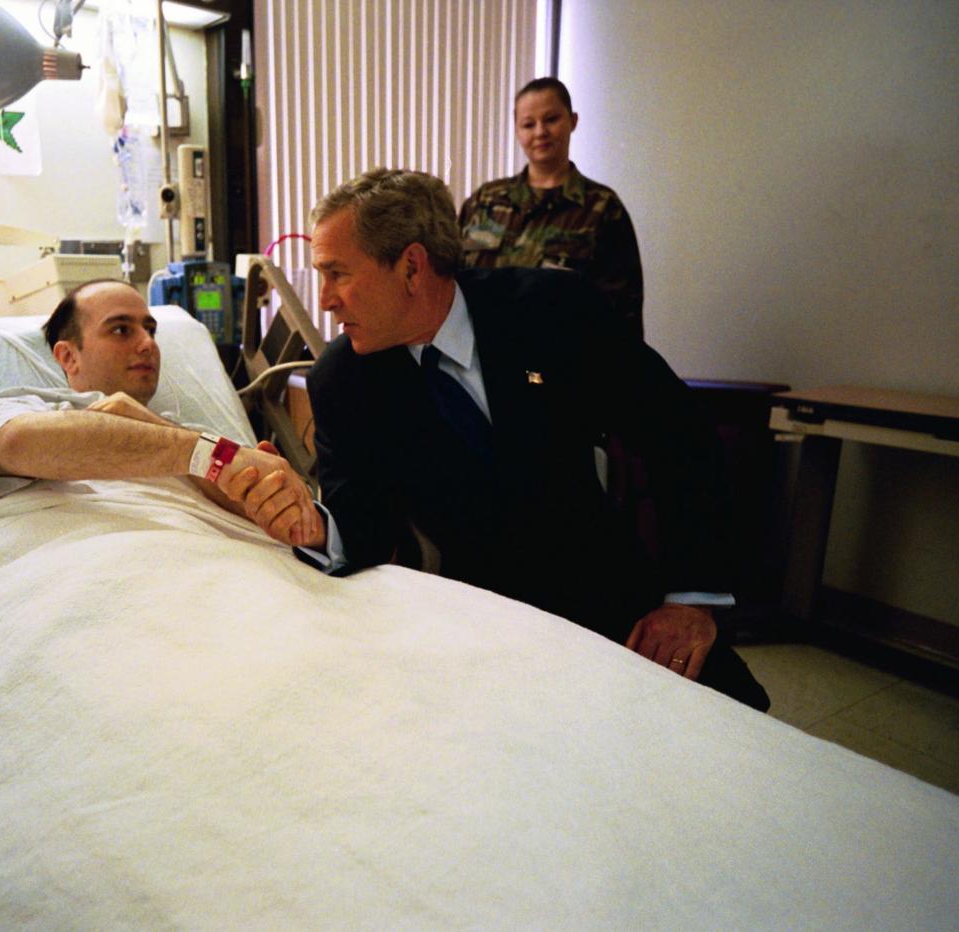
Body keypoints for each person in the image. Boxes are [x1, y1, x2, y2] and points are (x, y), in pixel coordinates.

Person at [260, 168, 766, 709]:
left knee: (744, 734)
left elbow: (679, 436)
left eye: (337, 274)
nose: (326, 300)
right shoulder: (343, 381)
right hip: (485, 626)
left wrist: (691, 600)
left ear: (411, 266)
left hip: (608, 590)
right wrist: (310, 525)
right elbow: (362, 522)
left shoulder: (553, 311)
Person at [0, 279, 321, 547]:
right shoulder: (18, 408)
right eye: (121, 329)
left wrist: (292, 507)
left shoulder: (192, 433)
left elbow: (297, 529)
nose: (148, 343)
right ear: (68, 357)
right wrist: (205, 454)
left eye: (150, 330)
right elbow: (18, 445)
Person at [459, 77, 644, 340]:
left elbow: (623, 313)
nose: (540, 132)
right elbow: (449, 285)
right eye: (528, 124)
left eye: (551, 119)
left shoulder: (602, 207)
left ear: (573, 121)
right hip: (483, 364)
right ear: (517, 130)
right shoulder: (485, 201)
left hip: (567, 367)